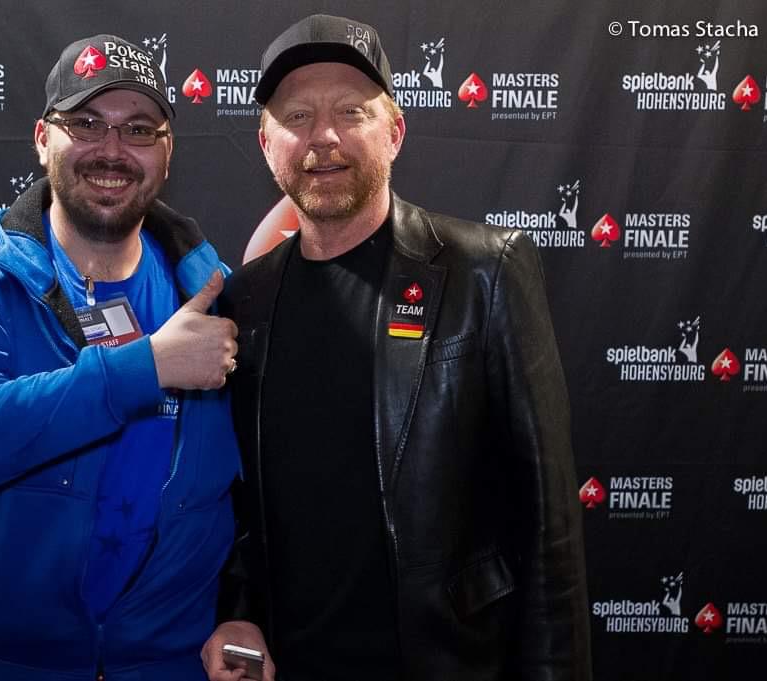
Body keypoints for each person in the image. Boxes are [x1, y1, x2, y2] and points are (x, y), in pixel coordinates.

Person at [204, 14, 591, 681]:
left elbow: (548, 522)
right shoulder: (246, 299)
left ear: (396, 132)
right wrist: (239, 609)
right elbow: (242, 502)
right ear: (268, 144)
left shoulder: (486, 272)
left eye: (350, 111)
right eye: (297, 116)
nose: (323, 137)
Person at [0, 33, 241, 681]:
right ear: (42, 138)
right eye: (86, 123)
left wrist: (244, 610)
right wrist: (145, 367)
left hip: (169, 666)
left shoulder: (213, 295)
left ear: (167, 153)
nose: (112, 149)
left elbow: (261, 496)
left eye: (139, 129)